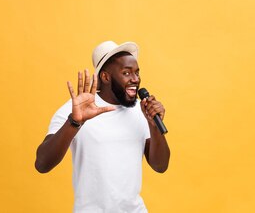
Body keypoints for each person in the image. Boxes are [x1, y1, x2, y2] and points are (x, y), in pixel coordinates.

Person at [35, 41, 171, 212]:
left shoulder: (141, 110)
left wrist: (153, 125)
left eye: (137, 72)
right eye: (126, 73)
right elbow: (42, 164)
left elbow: (160, 166)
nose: (135, 79)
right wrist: (74, 122)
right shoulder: (76, 108)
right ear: (106, 77)